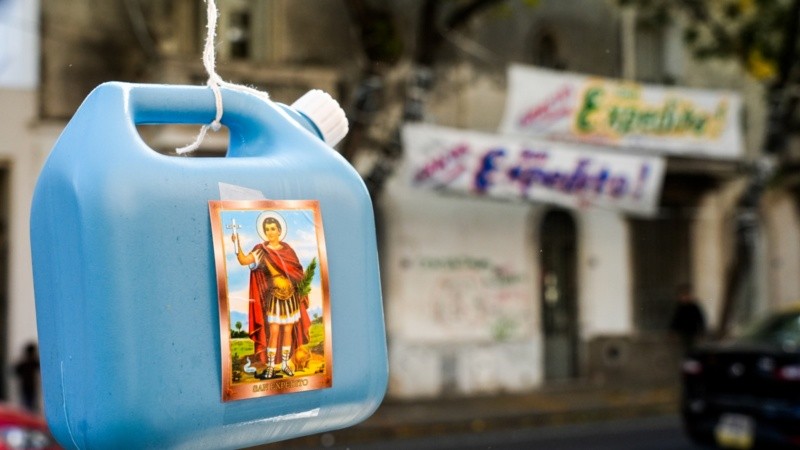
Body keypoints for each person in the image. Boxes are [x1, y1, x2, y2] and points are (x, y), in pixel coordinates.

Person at [232, 214, 310, 379]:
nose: (270, 232)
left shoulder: (288, 249)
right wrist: (236, 244)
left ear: (279, 230)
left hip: (291, 298)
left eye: (273, 229)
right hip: (275, 298)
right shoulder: (261, 250)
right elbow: (244, 260)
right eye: (267, 229)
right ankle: (270, 367)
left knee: (288, 330)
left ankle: (284, 365)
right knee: (274, 331)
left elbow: (297, 271)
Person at [669, 283, 707, 353]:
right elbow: (676, 320)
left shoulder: (694, 307)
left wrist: (702, 331)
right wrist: (672, 331)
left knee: (693, 348)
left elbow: (700, 319)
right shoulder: (680, 307)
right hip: (683, 332)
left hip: (693, 331)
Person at [13, 342, 40, 413]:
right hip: (29, 386)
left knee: (27, 404)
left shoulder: (25, 362)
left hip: (27, 386)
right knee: (29, 404)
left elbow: (16, 371)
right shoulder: (31, 362)